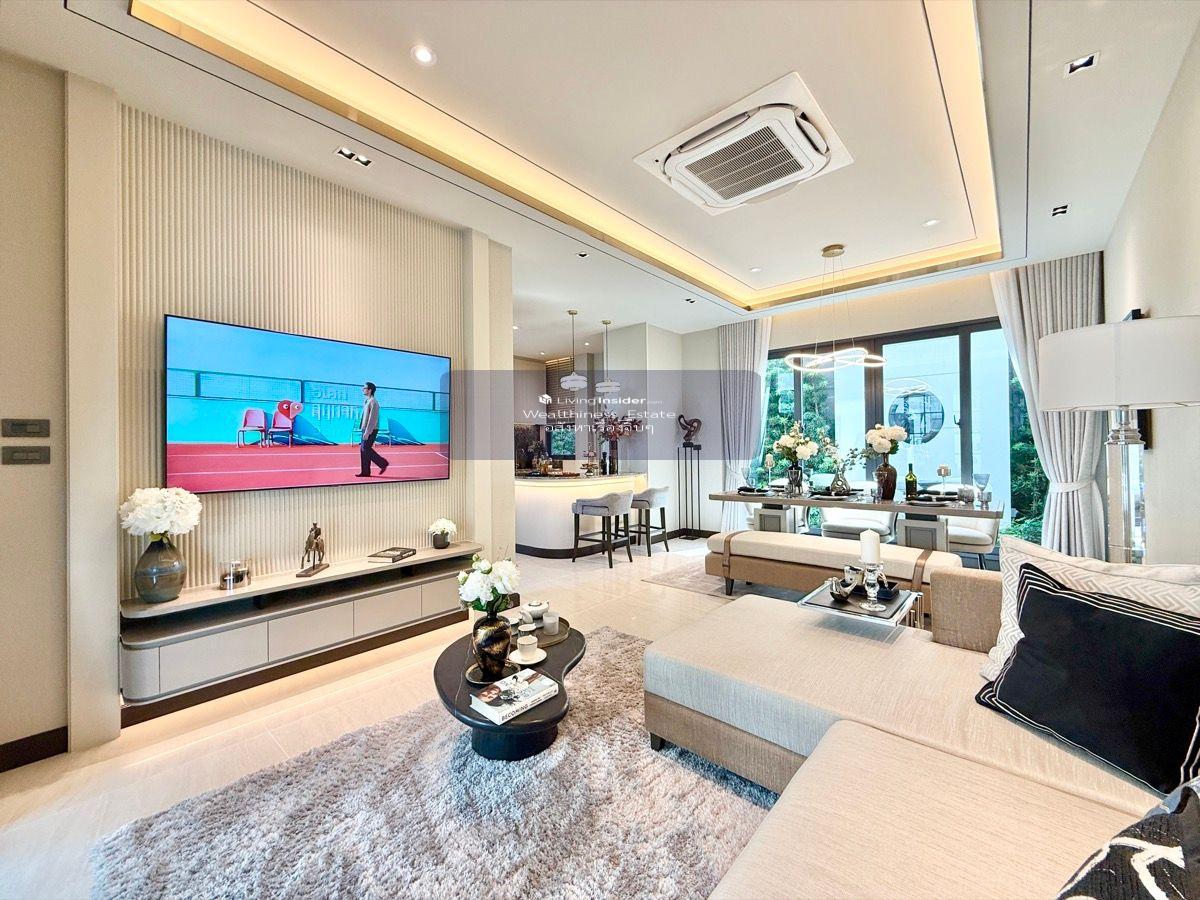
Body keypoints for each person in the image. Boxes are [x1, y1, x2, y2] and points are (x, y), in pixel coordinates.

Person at [356, 382, 389, 477]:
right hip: (365, 429)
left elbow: (372, 419)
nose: (363, 389)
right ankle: (365, 472)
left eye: (364, 388)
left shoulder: (373, 402)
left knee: (365, 448)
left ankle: (383, 463)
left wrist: (367, 432)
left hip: (371, 429)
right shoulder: (367, 401)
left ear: (370, 390)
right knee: (363, 450)